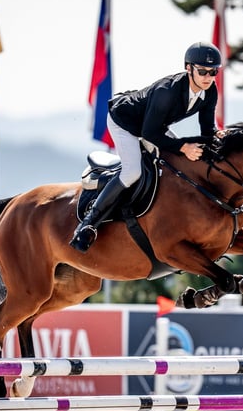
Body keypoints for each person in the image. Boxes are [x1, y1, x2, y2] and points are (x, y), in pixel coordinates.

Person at [70, 41, 225, 253]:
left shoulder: (210, 91)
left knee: (180, 164)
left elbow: (207, 130)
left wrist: (219, 137)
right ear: (188, 68)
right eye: (203, 71)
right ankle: (88, 224)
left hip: (153, 125)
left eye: (213, 71)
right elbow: (148, 134)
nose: (208, 77)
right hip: (124, 122)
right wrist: (183, 146)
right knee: (133, 171)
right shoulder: (167, 91)